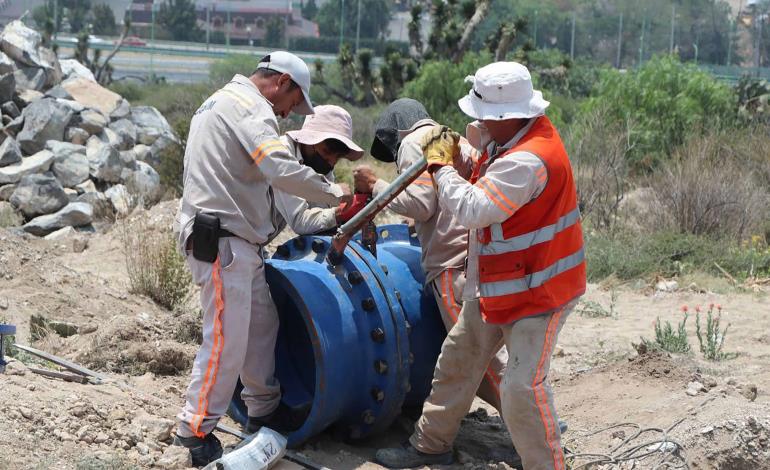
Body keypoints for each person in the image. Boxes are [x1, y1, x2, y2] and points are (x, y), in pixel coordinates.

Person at [376, 62, 586, 470]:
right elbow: (482, 169)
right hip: (499, 282)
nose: (478, 120)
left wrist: (438, 166)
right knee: (458, 359)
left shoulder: (529, 159)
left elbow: (474, 208)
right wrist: (462, 155)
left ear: (505, 116)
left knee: (521, 388)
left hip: (539, 292)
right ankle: (430, 445)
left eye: (483, 114)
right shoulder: (511, 141)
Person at [172, 51, 352, 467]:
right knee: (226, 337)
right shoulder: (251, 107)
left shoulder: (220, 101)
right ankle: (195, 428)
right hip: (222, 240)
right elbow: (277, 166)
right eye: (293, 102)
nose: (290, 113)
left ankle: (263, 408)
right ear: (282, 82)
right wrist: (335, 193)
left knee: (261, 324)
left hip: (237, 243)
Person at [354, 98, 506, 414]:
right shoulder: (452, 137)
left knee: (476, 355)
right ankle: (528, 416)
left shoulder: (413, 141)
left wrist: (375, 185)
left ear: (396, 132)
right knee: (487, 348)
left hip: (451, 263)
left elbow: (421, 203)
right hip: (481, 255)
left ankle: (528, 419)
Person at [270, 104, 366, 238]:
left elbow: (322, 216)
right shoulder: (281, 155)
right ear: (308, 140)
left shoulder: (321, 166)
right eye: (327, 151)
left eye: (338, 157)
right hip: (235, 241)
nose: (331, 162)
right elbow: (300, 221)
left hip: (256, 244)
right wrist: (340, 212)